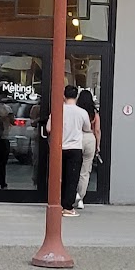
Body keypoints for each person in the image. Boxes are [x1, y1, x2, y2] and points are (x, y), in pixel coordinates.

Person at [46, 84, 91, 215]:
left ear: (63, 96)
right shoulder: (82, 112)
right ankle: (68, 207)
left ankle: (57, 203)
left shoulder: (58, 110)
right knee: (72, 179)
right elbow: (87, 128)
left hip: (60, 148)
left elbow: (48, 128)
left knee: (60, 177)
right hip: (75, 148)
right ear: (76, 97)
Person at [75, 86, 101, 209]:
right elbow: (97, 130)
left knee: (73, 168)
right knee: (85, 172)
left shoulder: (78, 112)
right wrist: (98, 145)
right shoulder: (94, 114)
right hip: (90, 138)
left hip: (77, 138)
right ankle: (80, 197)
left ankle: (73, 193)